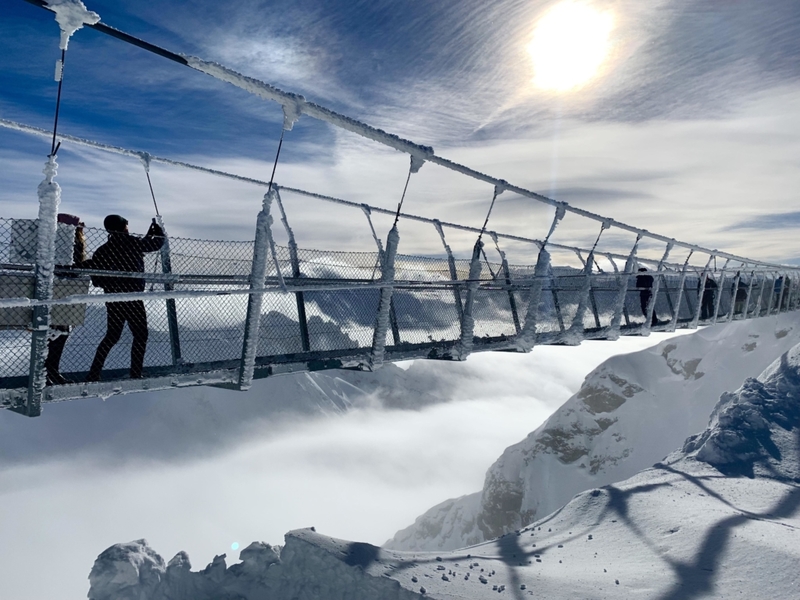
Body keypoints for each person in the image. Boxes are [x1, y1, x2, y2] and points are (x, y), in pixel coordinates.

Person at [84, 214, 164, 381]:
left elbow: (98, 280)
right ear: (123, 227)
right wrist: (159, 232)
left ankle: (94, 373)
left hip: (113, 298)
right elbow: (154, 244)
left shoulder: (102, 250)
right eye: (126, 225)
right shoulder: (132, 243)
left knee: (112, 336)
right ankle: (136, 373)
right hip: (133, 297)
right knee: (141, 335)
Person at [45, 213, 86, 385]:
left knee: (54, 334)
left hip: (56, 291)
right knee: (59, 334)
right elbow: (75, 266)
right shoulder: (71, 243)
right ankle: (51, 372)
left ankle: (48, 372)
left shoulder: (52, 244)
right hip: (64, 291)